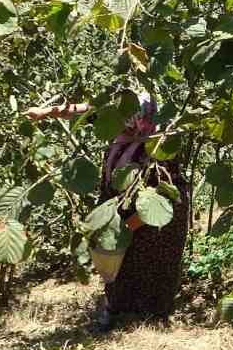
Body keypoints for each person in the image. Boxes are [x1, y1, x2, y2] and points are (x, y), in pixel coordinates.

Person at [26, 96, 192, 328]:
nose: (116, 122)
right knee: (120, 270)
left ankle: (148, 319)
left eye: (124, 119)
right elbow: (87, 111)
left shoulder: (158, 147)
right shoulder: (121, 137)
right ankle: (117, 315)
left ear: (141, 118)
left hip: (154, 226)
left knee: (150, 269)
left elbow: (164, 197)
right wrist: (44, 113)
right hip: (122, 215)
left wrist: (125, 228)